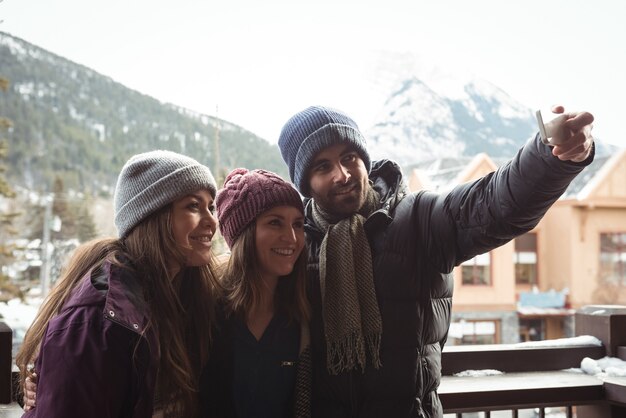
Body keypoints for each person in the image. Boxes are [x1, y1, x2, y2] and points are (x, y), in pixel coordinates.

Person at [276, 105, 594, 417]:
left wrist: (549, 157)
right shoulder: (294, 245)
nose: (342, 175)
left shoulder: (418, 219)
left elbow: (493, 204)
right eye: (323, 167)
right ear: (305, 182)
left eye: (349, 158)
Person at [16, 150, 220, 418]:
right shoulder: (96, 320)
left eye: (211, 207)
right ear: (151, 217)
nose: (211, 221)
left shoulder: (189, 293)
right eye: (193, 206)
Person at [199, 168, 311, 418]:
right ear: (244, 234)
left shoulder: (301, 317)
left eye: (298, 224)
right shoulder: (204, 310)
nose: (292, 237)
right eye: (275, 222)